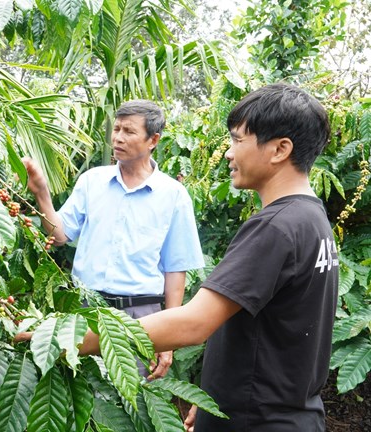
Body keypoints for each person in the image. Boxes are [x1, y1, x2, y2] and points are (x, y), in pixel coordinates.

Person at [69, 83, 338, 431]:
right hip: (284, 413)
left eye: (237, 140)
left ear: (279, 149)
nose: (228, 153)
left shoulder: (276, 227)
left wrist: (71, 340)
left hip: (257, 421)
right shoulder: (312, 219)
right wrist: (214, 397)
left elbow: (193, 323)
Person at [23, 99, 205, 377]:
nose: (118, 137)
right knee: (78, 388)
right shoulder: (92, 181)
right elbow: (59, 235)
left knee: (133, 393)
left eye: (129, 131)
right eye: (117, 129)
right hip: (85, 310)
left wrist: (168, 339)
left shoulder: (173, 195)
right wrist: (41, 193)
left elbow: (175, 269)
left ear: (153, 140)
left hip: (141, 317)